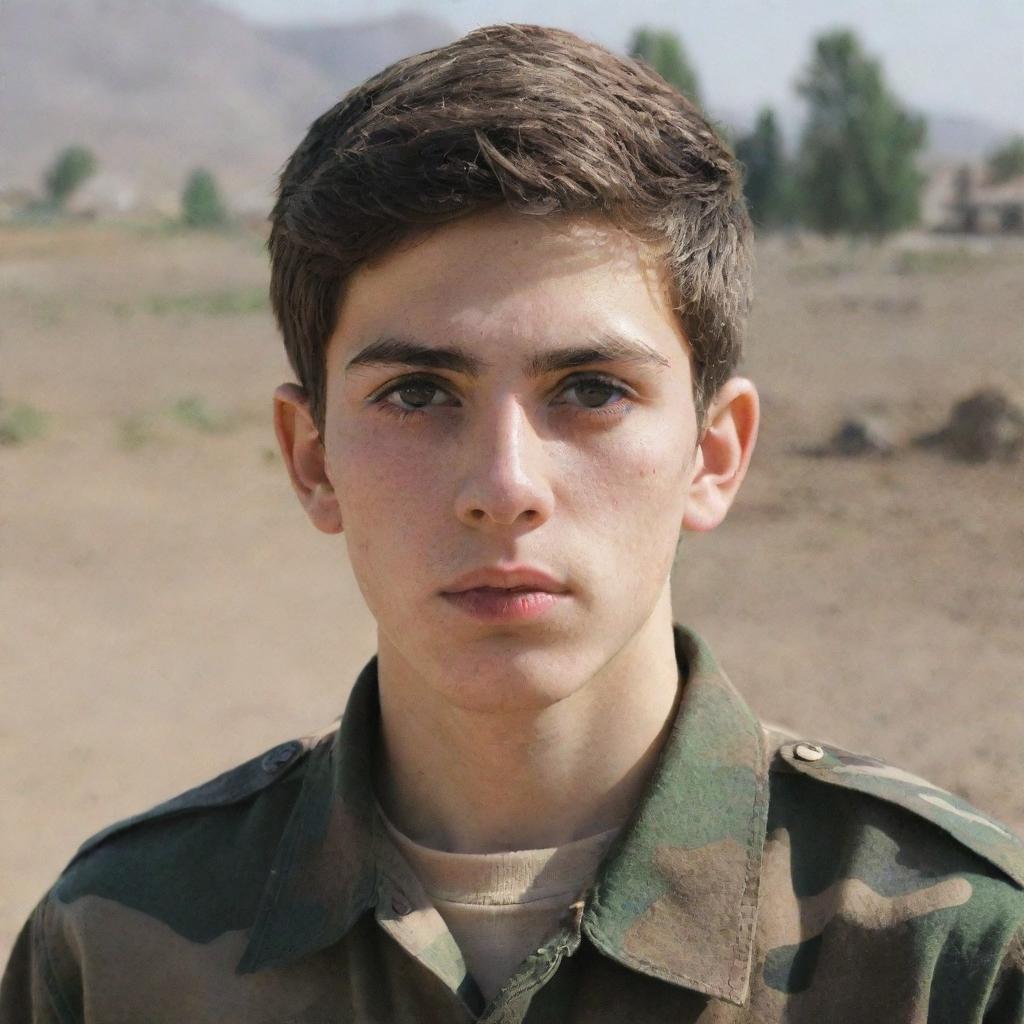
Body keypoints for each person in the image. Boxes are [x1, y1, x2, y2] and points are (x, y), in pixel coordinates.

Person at [2, 22, 1022, 1024]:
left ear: (713, 453)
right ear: (312, 458)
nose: (502, 483)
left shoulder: (949, 960)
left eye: (588, 388)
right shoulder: (120, 949)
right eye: (414, 394)